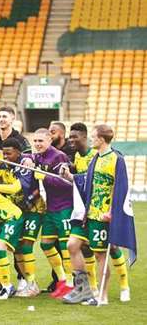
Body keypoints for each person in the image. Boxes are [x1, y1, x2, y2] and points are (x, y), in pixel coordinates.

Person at [62, 124, 131, 305]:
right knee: (72, 245)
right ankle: (83, 289)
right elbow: (88, 180)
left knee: (101, 255)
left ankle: (103, 296)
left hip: (102, 215)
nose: (91, 139)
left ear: (101, 139)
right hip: (88, 213)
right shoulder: (96, 158)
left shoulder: (116, 159)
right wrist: (72, 177)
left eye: (93, 137)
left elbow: (121, 186)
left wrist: (112, 212)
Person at [0, 138, 44, 297]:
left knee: (26, 246)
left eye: (9, 153)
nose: (6, 156)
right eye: (4, 153)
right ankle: (27, 283)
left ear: (18, 152)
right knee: (18, 249)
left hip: (34, 210)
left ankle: (32, 284)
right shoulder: (2, 166)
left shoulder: (24, 165)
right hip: (17, 211)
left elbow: (16, 188)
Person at [28, 128, 74, 298]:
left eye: (41, 141)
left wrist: (44, 177)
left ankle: (70, 282)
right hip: (50, 208)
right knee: (46, 244)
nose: (38, 144)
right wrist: (27, 159)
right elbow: (27, 156)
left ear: (49, 140)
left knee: (65, 246)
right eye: (35, 141)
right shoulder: (38, 156)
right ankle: (62, 280)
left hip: (64, 207)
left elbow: (67, 183)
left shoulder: (58, 156)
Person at [67, 122, 99, 293]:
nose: (71, 140)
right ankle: (87, 288)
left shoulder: (96, 155)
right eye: (70, 136)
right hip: (82, 210)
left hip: (97, 209)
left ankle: (124, 287)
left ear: (85, 137)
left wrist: (73, 176)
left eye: (74, 137)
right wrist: (69, 170)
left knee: (111, 249)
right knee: (74, 245)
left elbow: (92, 180)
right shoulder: (78, 156)